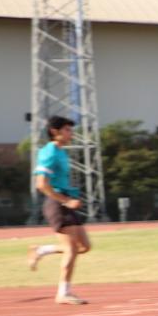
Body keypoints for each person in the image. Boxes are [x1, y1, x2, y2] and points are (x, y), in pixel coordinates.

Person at [26, 115, 92, 305]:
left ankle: (40, 250)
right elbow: (41, 184)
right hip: (57, 203)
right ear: (55, 132)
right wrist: (65, 200)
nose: (71, 134)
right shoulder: (49, 152)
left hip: (66, 200)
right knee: (71, 249)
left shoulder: (61, 152)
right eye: (67, 130)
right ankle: (64, 292)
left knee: (83, 247)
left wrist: (71, 197)